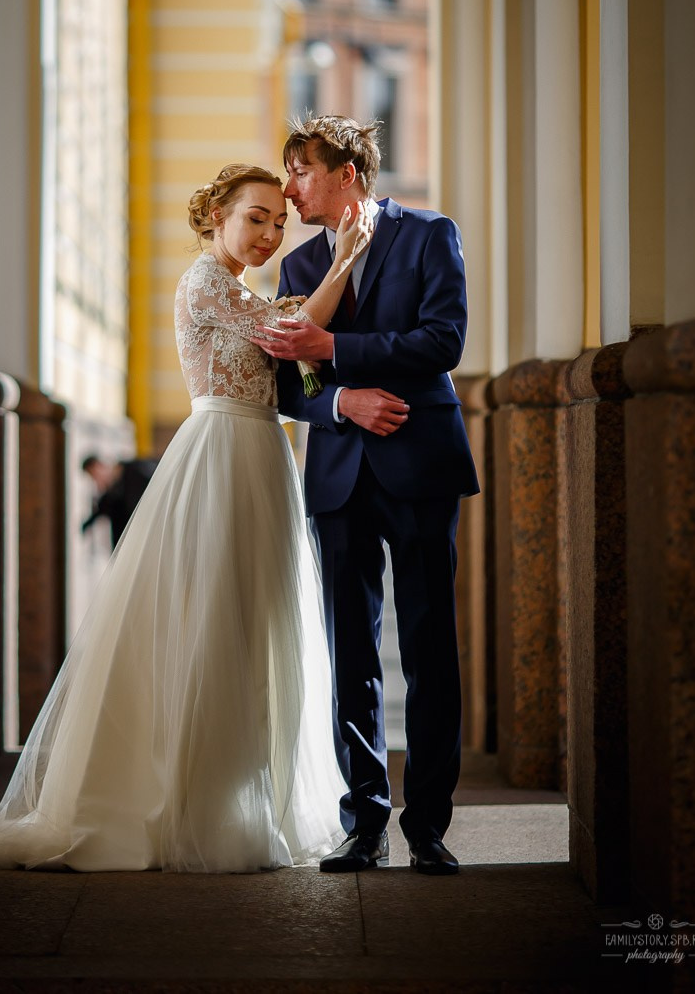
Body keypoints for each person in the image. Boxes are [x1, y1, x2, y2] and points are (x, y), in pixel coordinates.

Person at [0, 162, 372, 873]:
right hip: (220, 453)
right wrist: (351, 256)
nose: (269, 232)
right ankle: (190, 804)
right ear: (216, 216)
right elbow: (293, 330)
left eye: (278, 220)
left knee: (258, 622)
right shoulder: (204, 281)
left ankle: (242, 796)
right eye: (255, 217)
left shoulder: (240, 288)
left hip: (264, 454)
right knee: (212, 621)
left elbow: (299, 362)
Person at [252, 116, 479, 876]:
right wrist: (340, 402)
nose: (290, 190)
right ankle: (365, 823)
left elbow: (444, 341)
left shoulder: (430, 235)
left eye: (300, 172)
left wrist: (335, 351)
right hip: (340, 474)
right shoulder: (299, 266)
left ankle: (430, 827)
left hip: (420, 463)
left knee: (428, 649)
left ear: (347, 172)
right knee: (351, 652)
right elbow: (287, 383)